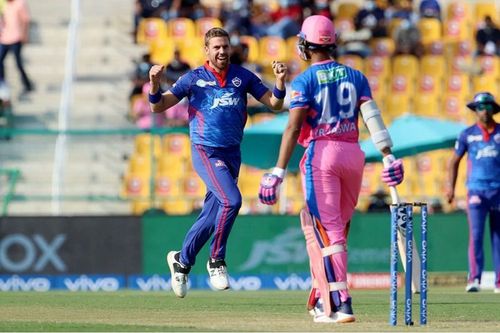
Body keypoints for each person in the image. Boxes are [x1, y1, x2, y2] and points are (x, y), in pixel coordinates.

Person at [257, 15, 404, 323]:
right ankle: (320, 295)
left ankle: (340, 303)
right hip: (354, 155)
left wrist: (278, 171)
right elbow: (373, 119)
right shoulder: (356, 76)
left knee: (326, 231)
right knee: (334, 230)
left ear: (305, 46)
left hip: (322, 155)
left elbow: (293, 128)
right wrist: (389, 156)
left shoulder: (305, 81)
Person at [148, 27, 287, 298]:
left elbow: (274, 104)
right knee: (232, 201)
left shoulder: (242, 77)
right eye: (216, 47)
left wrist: (280, 82)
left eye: (225, 46)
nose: (222, 51)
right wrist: (154, 84)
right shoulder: (193, 79)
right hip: (206, 150)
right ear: (206, 51)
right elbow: (158, 106)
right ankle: (217, 260)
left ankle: (182, 261)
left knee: (212, 217)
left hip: (232, 152)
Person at [446, 92, 500, 294]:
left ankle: (499, 282)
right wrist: (450, 188)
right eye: (479, 107)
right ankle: (474, 279)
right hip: (476, 191)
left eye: (487, 106)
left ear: (493, 109)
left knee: (498, 237)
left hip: (498, 191)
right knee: (476, 236)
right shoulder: (467, 134)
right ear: (475, 110)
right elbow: (454, 162)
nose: (483, 110)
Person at [0, 0, 33, 95]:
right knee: (0, 60)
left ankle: (27, 83)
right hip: (5, 37)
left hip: (16, 37)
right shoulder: (5, 4)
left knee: (18, 63)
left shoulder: (20, 3)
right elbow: (3, 19)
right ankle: (2, 82)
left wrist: (25, 35)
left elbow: (25, 20)